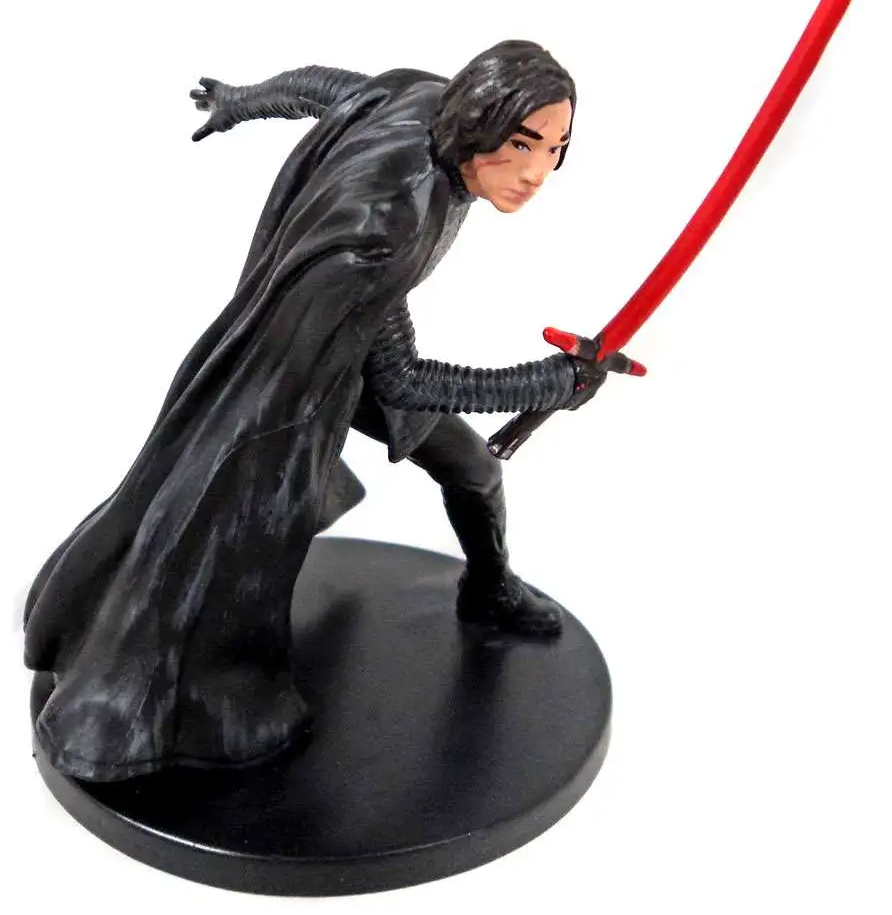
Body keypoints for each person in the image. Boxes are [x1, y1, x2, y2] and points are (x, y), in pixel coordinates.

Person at [23, 41, 635, 781]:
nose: (537, 173)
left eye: (555, 149)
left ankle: (489, 587)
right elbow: (404, 382)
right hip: (290, 391)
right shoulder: (385, 231)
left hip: (351, 335)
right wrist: (546, 383)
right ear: (479, 122)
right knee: (212, 559)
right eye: (522, 144)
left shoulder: (421, 101)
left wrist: (242, 101)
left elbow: (327, 89)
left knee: (472, 468)